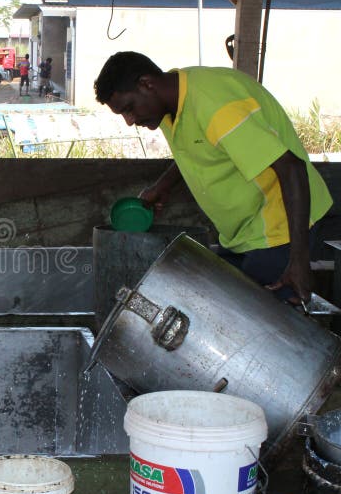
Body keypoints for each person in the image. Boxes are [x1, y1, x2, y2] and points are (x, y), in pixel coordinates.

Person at [94, 51, 332, 305]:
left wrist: (299, 261)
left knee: (262, 322)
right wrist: (163, 185)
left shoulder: (215, 105)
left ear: (147, 84)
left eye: (129, 108)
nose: (129, 121)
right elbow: (203, 146)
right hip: (243, 234)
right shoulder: (170, 105)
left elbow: (292, 168)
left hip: (280, 231)